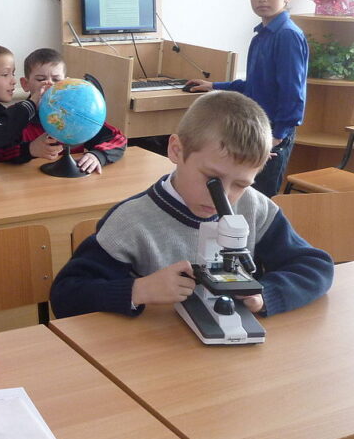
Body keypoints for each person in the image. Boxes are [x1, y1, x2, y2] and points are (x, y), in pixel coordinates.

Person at [50, 91, 333, 320]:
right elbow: (66, 296)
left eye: (241, 184)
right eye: (212, 179)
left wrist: (265, 295)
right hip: (155, 360)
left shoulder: (256, 209)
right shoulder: (131, 222)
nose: (222, 196)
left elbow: (315, 266)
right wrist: (138, 290)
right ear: (177, 150)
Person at [184, 0, 307, 196]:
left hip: (272, 135)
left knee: (259, 201)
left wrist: (276, 137)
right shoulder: (261, 36)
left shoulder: (287, 35)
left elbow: (293, 94)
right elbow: (254, 86)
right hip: (255, 130)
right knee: (240, 197)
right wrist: (214, 86)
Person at [0, 48, 127, 172]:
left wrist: (98, 155)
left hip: (70, 185)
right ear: (25, 84)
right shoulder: (14, 115)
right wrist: (30, 149)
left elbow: (118, 139)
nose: (49, 84)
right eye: (41, 79)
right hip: (27, 185)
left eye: (56, 80)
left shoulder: (76, 113)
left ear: (66, 82)